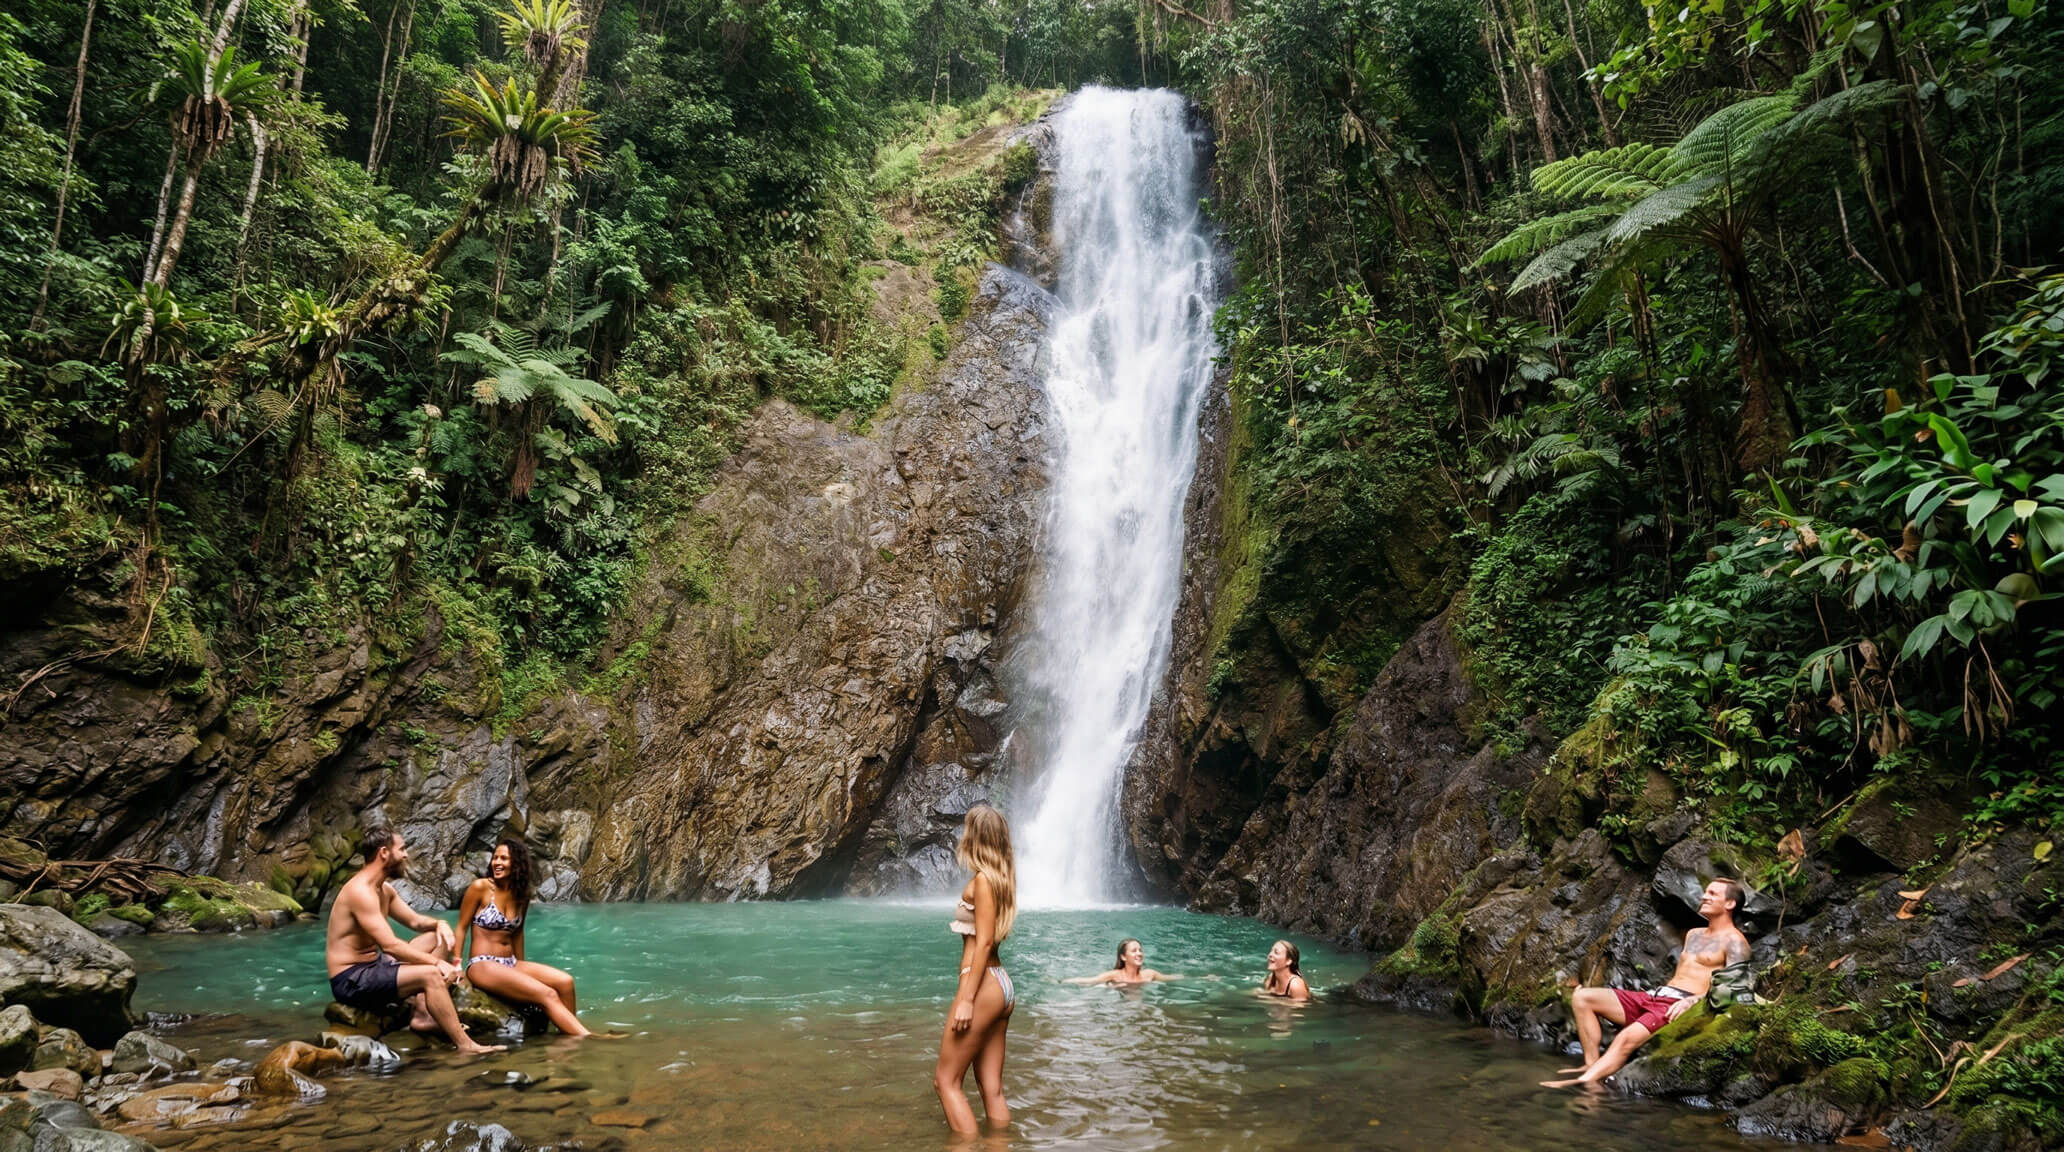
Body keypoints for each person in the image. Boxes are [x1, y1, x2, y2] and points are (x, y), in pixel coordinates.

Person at [1542, 878, 1752, 1088]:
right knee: (1583, 997)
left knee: (1625, 1039)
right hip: (1656, 996)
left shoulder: (1735, 942)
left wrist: (1694, 1002)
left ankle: (1583, 1083)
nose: (1704, 896)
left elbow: (1733, 990)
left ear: (1729, 904)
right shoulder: (1693, 934)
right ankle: (1590, 1065)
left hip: (1677, 1006)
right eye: (1706, 892)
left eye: (1713, 894)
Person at [325, 826, 504, 1055]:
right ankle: (466, 1045)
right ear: (384, 853)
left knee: (436, 938)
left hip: (374, 965)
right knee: (430, 975)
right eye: (402, 849)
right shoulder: (360, 892)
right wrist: (436, 964)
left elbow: (416, 922)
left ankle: (423, 1011)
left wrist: (440, 925)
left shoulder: (384, 890)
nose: (406, 855)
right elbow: (390, 946)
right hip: (351, 978)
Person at [934, 803, 1017, 1134]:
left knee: (946, 1082)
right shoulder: (1001, 879)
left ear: (975, 836)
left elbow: (983, 943)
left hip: (981, 985)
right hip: (1001, 985)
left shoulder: (982, 882)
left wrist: (967, 998)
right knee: (991, 1088)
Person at [456, 839, 591, 1038]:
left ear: (517, 863)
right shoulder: (481, 887)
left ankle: (567, 1034)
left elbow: (518, 933)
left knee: (565, 982)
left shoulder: (521, 894)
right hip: (482, 964)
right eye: (495, 858)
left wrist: (522, 967)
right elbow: (461, 927)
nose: (497, 863)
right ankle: (587, 1038)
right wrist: (456, 964)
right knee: (547, 994)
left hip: (510, 963)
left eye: (504, 858)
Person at [1068, 938, 1180, 985]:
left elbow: (1171, 978)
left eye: (1140, 950)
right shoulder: (1114, 976)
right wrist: (1060, 982)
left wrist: (1196, 979)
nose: (1139, 954)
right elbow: (1089, 981)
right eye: (1134, 951)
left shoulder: (1150, 974)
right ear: (1123, 957)